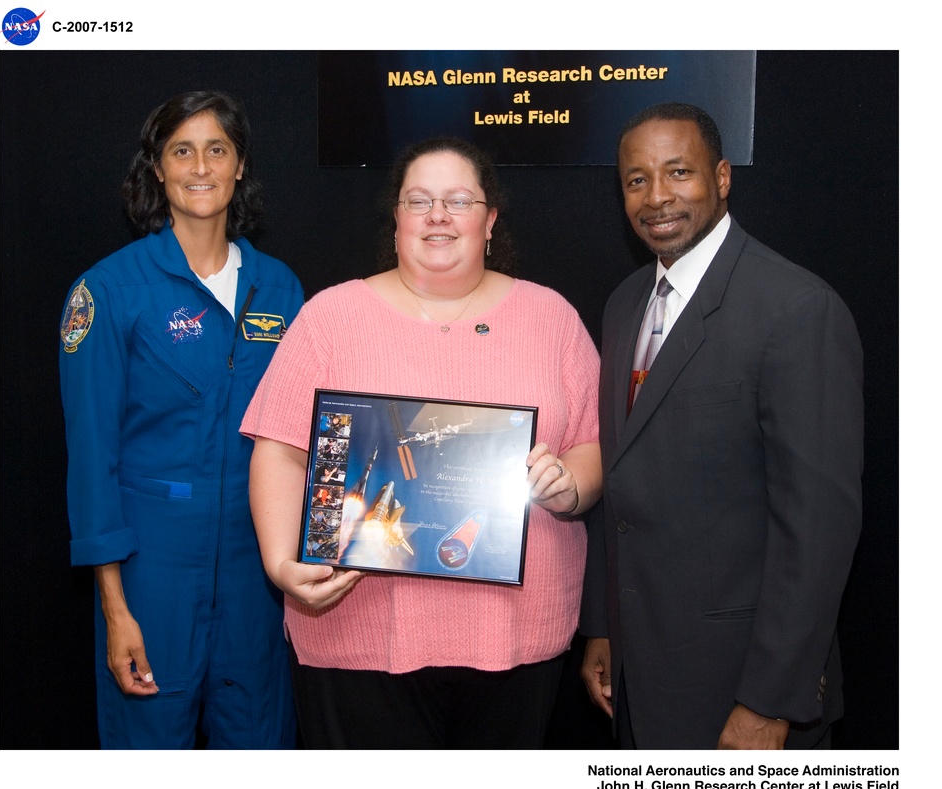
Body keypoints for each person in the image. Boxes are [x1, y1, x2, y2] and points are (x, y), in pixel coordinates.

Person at [241, 135, 602, 748]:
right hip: (354, 627)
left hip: (516, 634)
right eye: (420, 200)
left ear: (489, 221)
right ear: (398, 217)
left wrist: (567, 488)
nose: (439, 215)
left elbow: (590, 447)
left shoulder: (552, 319)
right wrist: (281, 563)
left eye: (459, 200)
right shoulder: (331, 317)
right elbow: (278, 447)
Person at [580, 102, 863, 749]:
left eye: (678, 172)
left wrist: (770, 700)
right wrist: (602, 624)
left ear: (724, 177)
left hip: (741, 686)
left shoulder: (796, 310)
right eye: (636, 180)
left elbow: (818, 532)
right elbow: (622, 477)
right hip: (638, 670)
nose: (657, 197)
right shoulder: (625, 305)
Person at [59, 90, 303, 749]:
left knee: (258, 742)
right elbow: (92, 456)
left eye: (217, 150)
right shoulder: (108, 291)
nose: (201, 167)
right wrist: (115, 608)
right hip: (152, 565)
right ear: (158, 169)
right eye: (182, 151)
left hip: (257, 563)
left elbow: (301, 435)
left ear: (240, 165)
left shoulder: (280, 288)